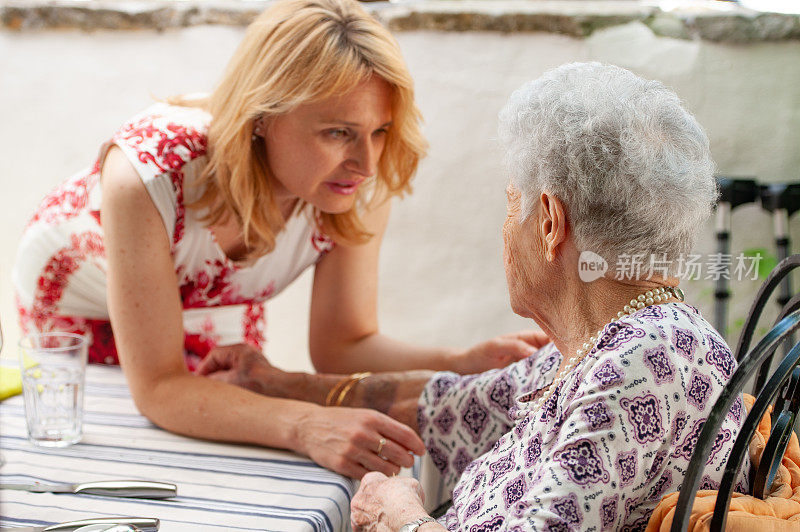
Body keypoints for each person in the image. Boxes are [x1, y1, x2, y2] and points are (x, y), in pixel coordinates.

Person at [199, 63, 751, 530]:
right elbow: (452, 404)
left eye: (514, 204)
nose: (506, 226)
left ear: (550, 223)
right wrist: (273, 383)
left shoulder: (639, 366)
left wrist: (402, 517)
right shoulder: (613, 341)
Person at [12, 0, 546, 479]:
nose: (366, 162)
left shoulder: (354, 179)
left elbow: (343, 345)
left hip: (211, 303)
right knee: (103, 458)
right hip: (79, 307)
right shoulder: (147, 174)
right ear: (263, 117)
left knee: (236, 441)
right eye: (338, 131)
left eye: (379, 130)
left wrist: (459, 360)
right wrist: (309, 424)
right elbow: (159, 389)